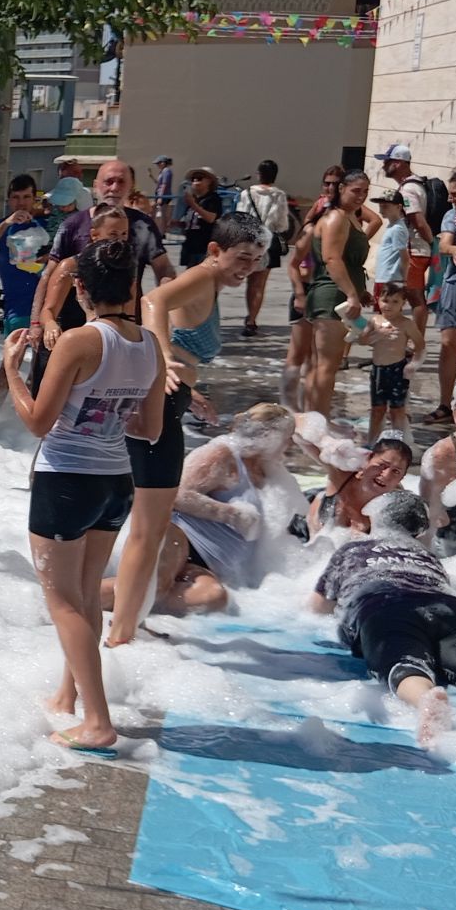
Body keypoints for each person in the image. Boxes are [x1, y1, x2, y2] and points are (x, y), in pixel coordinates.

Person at [5, 238, 166, 751]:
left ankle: (98, 722)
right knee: (86, 592)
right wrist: (110, 412)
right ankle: (68, 696)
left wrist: (11, 371)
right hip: (116, 481)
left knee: (63, 603)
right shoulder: (149, 345)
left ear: (80, 288)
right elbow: (149, 428)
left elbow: (37, 421)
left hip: (66, 481)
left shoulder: (79, 341)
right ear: (133, 285)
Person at [106, 211, 267, 645]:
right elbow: (152, 302)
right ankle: (101, 617)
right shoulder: (202, 276)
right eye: (241, 257)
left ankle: (123, 622)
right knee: (149, 524)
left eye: (255, 260)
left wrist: (187, 389)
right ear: (215, 250)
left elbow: (180, 342)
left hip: (169, 402)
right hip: (158, 405)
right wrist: (161, 358)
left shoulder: (211, 284)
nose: (248, 268)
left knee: (149, 524)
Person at [106, 404, 296, 627]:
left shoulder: (268, 470)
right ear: (268, 436)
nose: (291, 444)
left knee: (213, 598)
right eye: (288, 437)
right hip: (180, 538)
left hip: (205, 565)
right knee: (151, 588)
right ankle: (78, 602)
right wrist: (232, 514)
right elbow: (177, 495)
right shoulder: (222, 454)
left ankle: (135, 609)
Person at [310, 490, 456, 749]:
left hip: (384, 603)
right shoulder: (427, 556)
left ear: (378, 519)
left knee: (404, 659)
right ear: (418, 529)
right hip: (448, 605)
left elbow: (318, 606)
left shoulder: (352, 549)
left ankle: (425, 698)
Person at [29, 160, 173, 393]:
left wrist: (164, 312)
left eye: (121, 182)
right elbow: (48, 278)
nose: (114, 187)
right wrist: (37, 323)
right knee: (49, 394)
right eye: (108, 181)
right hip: (68, 329)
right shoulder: (72, 228)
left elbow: (163, 270)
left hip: (116, 335)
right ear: (96, 185)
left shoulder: (141, 230)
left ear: (131, 186)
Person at [302, 170, 372, 416]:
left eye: (365, 191)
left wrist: (359, 292)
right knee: (326, 366)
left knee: (321, 365)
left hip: (337, 295)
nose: (361, 196)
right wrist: (351, 294)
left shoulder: (349, 217)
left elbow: (348, 262)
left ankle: (312, 418)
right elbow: (332, 259)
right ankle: (319, 420)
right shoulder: (336, 218)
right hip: (332, 296)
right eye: (356, 190)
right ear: (342, 188)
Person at [0, 175, 52, 401]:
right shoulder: (0, 228)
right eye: (16, 197)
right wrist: (7, 223)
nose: (21, 203)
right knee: (10, 364)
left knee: (42, 367)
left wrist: (45, 259)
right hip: (17, 307)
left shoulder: (46, 226)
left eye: (26, 197)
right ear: (9, 200)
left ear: (34, 198)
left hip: (47, 307)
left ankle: (28, 413)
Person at [341, 283, 423, 444]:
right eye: (385, 301)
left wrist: (413, 364)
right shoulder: (375, 321)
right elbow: (363, 340)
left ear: (403, 303)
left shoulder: (406, 324)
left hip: (398, 370)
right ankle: (372, 442)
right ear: (378, 300)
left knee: (397, 410)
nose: (389, 305)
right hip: (378, 370)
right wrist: (378, 334)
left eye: (395, 302)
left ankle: (399, 444)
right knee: (377, 409)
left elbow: (420, 345)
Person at [306, 434, 412, 538]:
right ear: (369, 458)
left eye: (396, 471)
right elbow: (304, 438)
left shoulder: (396, 507)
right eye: (382, 465)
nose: (386, 475)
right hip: (303, 530)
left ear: (402, 477)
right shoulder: (343, 476)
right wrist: (328, 443)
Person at [378, 143, 437, 328]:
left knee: (414, 297)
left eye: (386, 162)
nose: (383, 166)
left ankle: (416, 341)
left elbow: (418, 221)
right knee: (409, 296)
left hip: (414, 249)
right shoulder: (414, 184)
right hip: (417, 249)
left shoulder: (408, 190)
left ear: (398, 163)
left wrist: (431, 244)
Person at [428, 167, 456, 427]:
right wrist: (454, 250)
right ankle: (444, 403)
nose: (450, 198)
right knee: (449, 344)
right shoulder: (453, 216)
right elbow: (444, 244)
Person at [242, 160, 293, 335]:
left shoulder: (247, 193)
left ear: (259, 174)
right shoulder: (279, 195)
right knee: (260, 283)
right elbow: (282, 223)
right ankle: (252, 319)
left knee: (250, 281)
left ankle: (249, 316)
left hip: (250, 240)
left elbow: (241, 216)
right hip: (269, 241)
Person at [152, 155, 176, 228]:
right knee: (158, 212)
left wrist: (161, 197)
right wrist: (152, 177)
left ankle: (163, 229)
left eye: (158, 163)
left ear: (163, 163)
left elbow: (164, 184)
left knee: (162, 214)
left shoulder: (166, 171)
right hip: (160, 195)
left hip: (164, 196)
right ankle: (160, 228)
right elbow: (159, 184)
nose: (157, 165)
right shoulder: (162, 171)